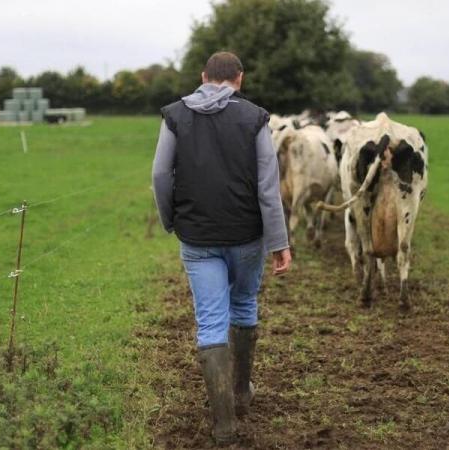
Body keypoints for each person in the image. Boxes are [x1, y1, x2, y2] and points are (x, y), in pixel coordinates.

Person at [152, 51, 291, 445]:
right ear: (239, 80)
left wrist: (170, 219)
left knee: (210, 322)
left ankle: (224, 425)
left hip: (197, 240)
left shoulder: (175, 115)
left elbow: (161, 173)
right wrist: (279, 242)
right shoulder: (255, 118)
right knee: (244, 305)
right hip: (247, 236)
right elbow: (268, 185)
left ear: (203, 77)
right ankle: (243, 391)